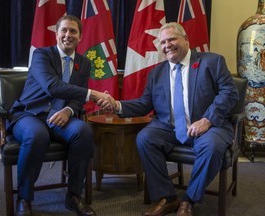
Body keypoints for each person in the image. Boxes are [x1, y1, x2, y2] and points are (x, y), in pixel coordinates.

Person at [99, 22, 239, 216]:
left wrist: (207, 119)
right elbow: (144, 104)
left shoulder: (212, 62)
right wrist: (117, 105)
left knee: (212, 147)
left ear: (186, 40)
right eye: (163, 42)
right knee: (145, 139)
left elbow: (230, 93)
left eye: (172, 39)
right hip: (169, 128)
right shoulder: (157, 73)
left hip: (210, 126)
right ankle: (168, 198)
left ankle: (188, 200)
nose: (167, 45)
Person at [8, 15, 108, 216]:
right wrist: (92, 94)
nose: (68, 35)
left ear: (80, 37)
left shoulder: (84, 63)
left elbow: (76, 98)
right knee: (37, 136)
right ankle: (24, 198)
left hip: (60, 117)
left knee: (84, 131)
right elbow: (52, 86)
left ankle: (73, 196)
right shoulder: (41, 55)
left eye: (73, 31)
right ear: (56, 34)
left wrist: (68, 110)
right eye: (64, 30)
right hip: (30, 113)